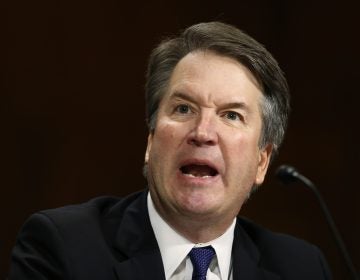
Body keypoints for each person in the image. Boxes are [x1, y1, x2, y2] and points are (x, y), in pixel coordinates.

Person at [9, 22, 332, 280]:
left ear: (262, 161)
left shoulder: (300, 267)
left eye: (231, 115)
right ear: (151, 141)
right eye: (183, 109)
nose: (203, 132)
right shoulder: (64, 247)